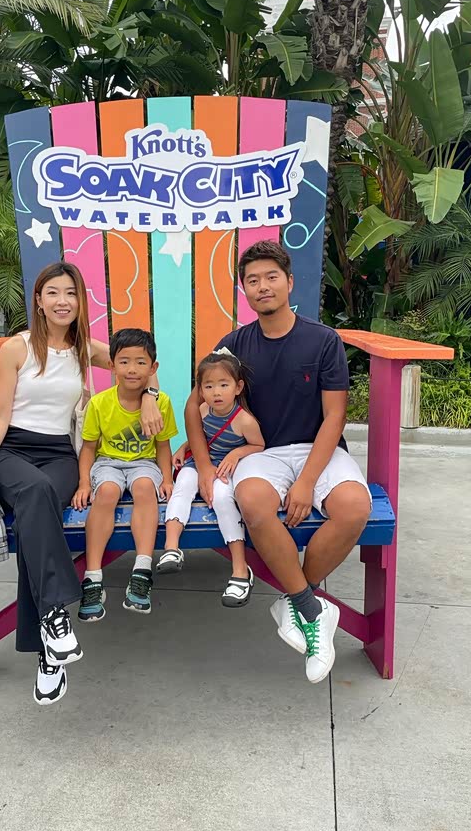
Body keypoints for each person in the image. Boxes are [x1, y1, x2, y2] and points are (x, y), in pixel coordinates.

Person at [0, 262, 163, 706]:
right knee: (35, 494)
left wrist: (151, 398)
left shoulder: (84, 349)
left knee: (37, 510)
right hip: (13, 450)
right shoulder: (16, 348)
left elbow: (138, 363)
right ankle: (55, 620)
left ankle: (50, 645)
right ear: (39, 301)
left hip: (60, 452)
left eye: (71, 293)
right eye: (53, 293)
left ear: (80, 301)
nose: (63, 301)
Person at [185, 240, 371, 683]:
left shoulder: (322, 340)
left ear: (289, 282)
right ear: (244, 290)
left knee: (354, 508)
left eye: (271, 277)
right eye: (252, 280)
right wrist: (205, 467)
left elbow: (335, 417)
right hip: (262, 453)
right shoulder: (233, 346)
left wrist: (306, 482)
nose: (263, 286)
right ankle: (311, 608)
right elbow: (195, 406)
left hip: (318, 449)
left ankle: (295, 601)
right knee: (252, 501)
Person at [73, 328, 177, 620]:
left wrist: (167, 479)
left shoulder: (162, 402)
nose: (132, 369)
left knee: (144, 487)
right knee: (106, 492)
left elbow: (163, 446)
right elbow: (89, 448)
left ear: (153, 368)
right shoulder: (100, 403)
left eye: (141, 362)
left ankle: (142, 571)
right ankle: (93, 577)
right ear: (111, 365)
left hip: (144, 462)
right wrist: (84, 483)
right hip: (108, 461)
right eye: (124, 361)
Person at [159, 349, 265, 608]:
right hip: (198, 462)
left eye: (223, 385)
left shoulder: (244, 420)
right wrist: (184, 447)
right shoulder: (203, 411)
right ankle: (171, 548)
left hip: (223, 470)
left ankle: (240, 567)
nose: (216, 392)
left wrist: (237, 453)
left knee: (222, 499)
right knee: (182, 487)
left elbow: (259, 445)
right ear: (200, 391)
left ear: (238, 387)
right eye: (209, 386)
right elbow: (201, 439)